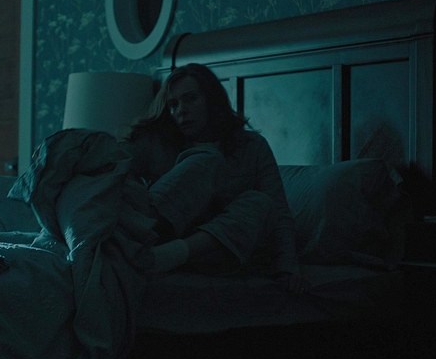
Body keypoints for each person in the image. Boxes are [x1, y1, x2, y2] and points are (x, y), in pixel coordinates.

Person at [122, 63, 305, 293]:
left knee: (260, 202)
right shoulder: (161, 143)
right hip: (167, 238)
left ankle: (164, 256)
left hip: (227, 249)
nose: (181, 111)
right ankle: (146, 251)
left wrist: (289, 266)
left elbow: (278, 210)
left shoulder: (251, 146)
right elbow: (114, 167)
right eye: (173, 105)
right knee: (203, 161)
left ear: (211, 99)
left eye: (191, 99)